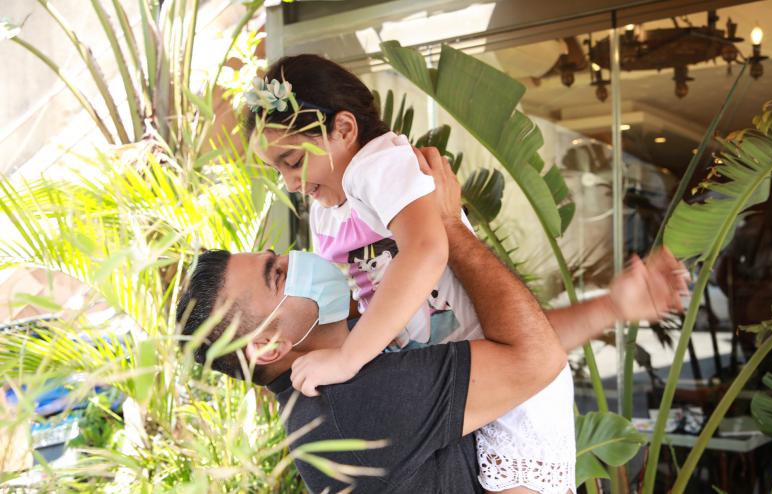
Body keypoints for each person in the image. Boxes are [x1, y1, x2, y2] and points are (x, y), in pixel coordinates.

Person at [176, 148, 688, 493]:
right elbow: (532, 359)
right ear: (269, 348)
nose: (295, 257)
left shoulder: (346, 372)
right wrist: (447, 228)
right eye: (278, 274)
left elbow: (507, 356)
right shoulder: (349, 406)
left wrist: (611, 308)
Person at [247, 54, 581, 492]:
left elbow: (426, 250)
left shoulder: (380, 165)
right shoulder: (327, 210)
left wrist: (349, 359)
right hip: (456, 379)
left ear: (344, 129)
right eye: (278, 171)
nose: (290, 183)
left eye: (292, 161)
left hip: (506, 371)